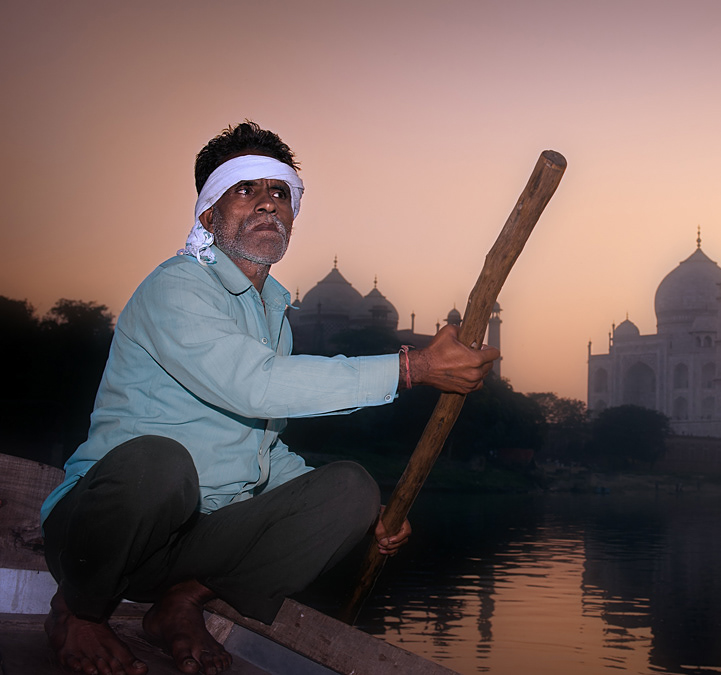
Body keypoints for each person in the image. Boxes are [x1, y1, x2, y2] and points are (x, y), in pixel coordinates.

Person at [39, 121, 500, 675]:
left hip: (190, 541)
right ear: (209, 214)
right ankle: (78, 610)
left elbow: (262, 451)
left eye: (279, 192)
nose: (267, 205)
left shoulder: (272, 314)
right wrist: (413, 367)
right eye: (245, 189)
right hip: (103, 533)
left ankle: (181, 602)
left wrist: (365, 518)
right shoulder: (177, 287)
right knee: (158, 464)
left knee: (350, 489)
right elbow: (254, 383)